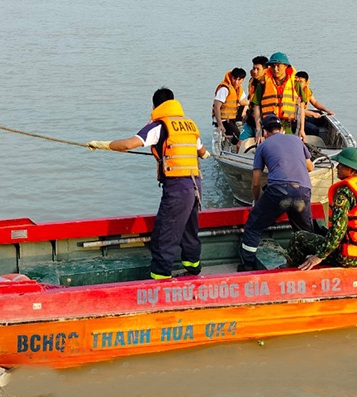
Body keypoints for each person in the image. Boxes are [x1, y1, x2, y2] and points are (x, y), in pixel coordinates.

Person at [88, 88, 210, 280]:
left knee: (164, 234)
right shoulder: (189, 124)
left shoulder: (159, 126)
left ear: (155, 106)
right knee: (189, 230)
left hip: (177, 188)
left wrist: (101, 144)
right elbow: (201, 151)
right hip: (195, 186)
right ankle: (193, 269)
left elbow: (128, 144)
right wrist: (204, 153)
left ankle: (160, 279)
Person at [287, 148, 357, 270]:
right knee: (322, 232)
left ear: (352, 170)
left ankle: (291, 271)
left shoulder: (344, 192)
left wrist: (319, 256)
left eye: (341, 165)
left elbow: (338, 231)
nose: (337, 167)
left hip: (348, 258)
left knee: (300, 237)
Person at [239, 113, 314, 271]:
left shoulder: (263, 146)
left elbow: (256, 182)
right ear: (282, 129)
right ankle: (309, 264)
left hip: (279, 192)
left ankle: (247, 265)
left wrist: (256, 201)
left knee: (253, 225)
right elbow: (310, 167)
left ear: (265, 132)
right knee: (305, 231)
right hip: (303, 191)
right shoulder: (296, 140)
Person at [251, 52, 308, 144]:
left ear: (286, 66)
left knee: (288, 147)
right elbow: (257, 106)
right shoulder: (263, 84)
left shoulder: (295, 84)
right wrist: (258, 130)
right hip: (268, 125)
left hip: (286, 124)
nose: (275, 69)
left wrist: (302, 129)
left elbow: (301, 107)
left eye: (278, 66)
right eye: (273, 66)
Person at [213, 68, 247, 146]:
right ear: (231, 77)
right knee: (239, 137)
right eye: (234, 78)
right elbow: (216, 106)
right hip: (224, 120)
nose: (236, 82)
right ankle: (230, 144)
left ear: (243, 80)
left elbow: (243, 101)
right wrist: (220, 124)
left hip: (231, 119)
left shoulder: (238, 89)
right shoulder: (225, 89)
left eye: (239, 79)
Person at [239, 55, 269, 145]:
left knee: (262, 144)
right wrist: (246, 113)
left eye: (258, 69)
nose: (255, 71)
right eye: (253, 68)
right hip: (251, 120)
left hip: (264, 121)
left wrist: (259, 128)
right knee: (240, 144)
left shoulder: (268, 84)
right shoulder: (253, 82)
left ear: (265, 69)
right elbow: (251, 99)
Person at [294, 71, 334, 136]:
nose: (298, 84)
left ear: (306, 83)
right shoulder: (292, 92)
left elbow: (315, 102)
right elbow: (296, 110)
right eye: (296, 82)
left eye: (301, 82)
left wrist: (327, 110)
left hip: (303, 116)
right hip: (294, 119)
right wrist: (312, 114)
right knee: (314, 130)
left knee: (322, 119)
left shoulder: (307, 90)